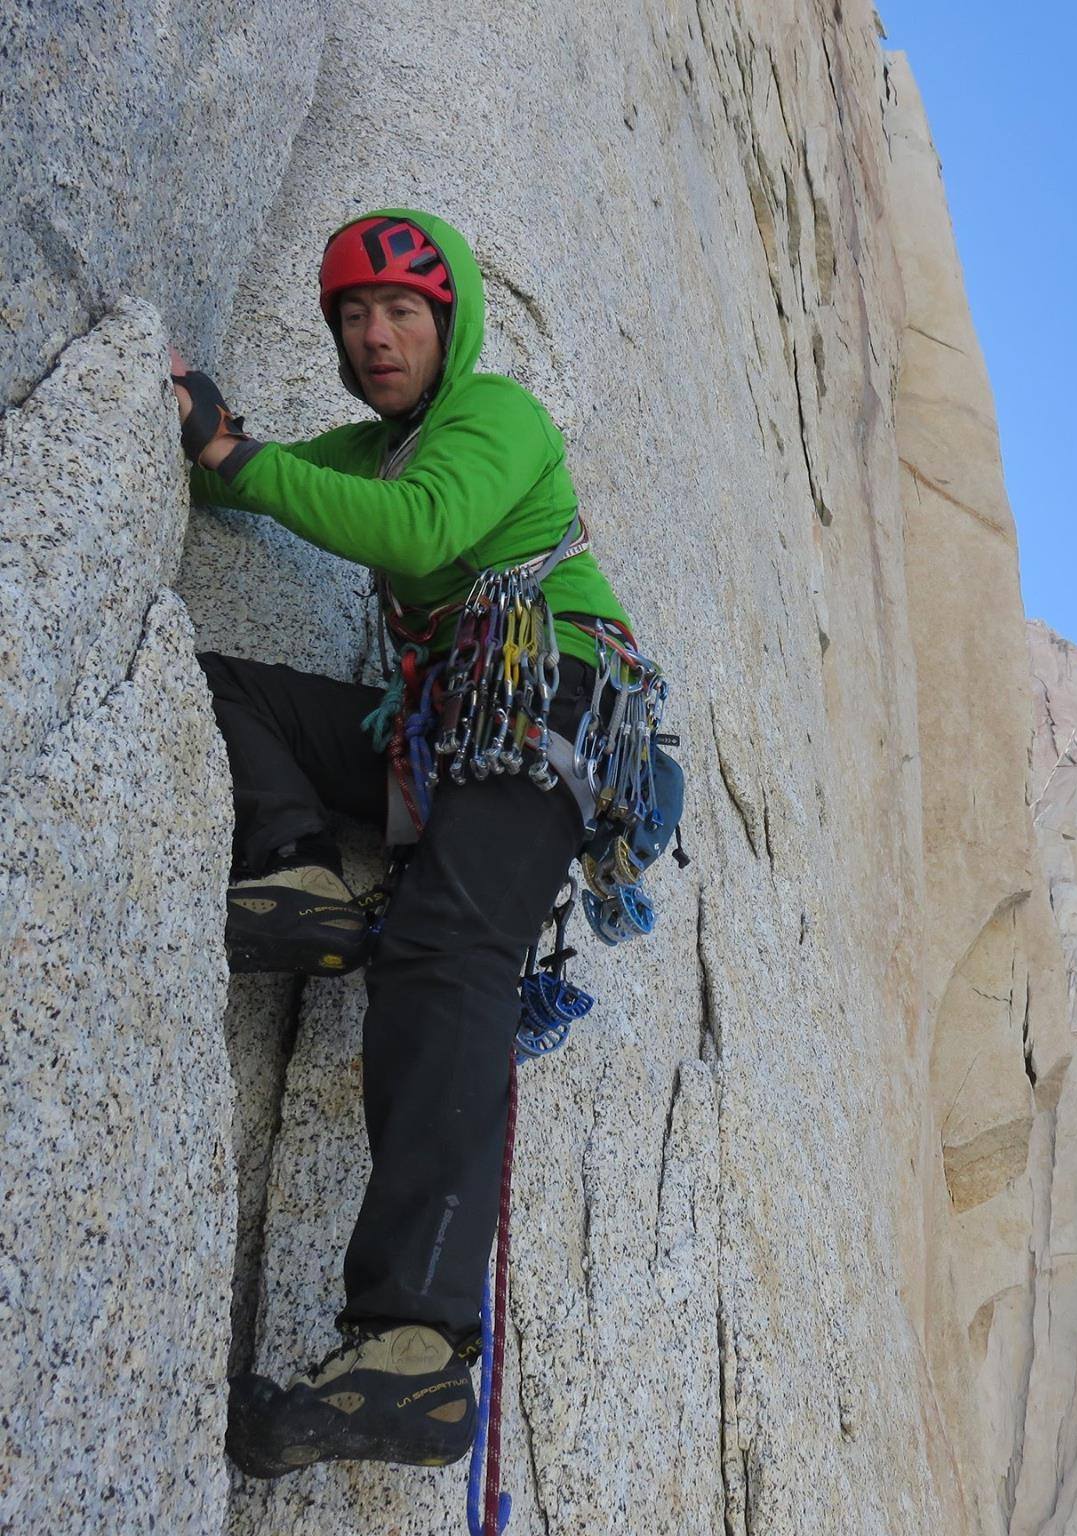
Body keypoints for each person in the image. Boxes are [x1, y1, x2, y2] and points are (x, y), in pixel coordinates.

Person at [175, 209, 634, 1479]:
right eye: (354, 318)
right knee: (223, 687)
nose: (376, 338)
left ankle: (421, 1353)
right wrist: (189, 422)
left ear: (452, 327)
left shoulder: (497, 421)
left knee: (445, 954)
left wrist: (234, 452)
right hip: (442, 733)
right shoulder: (378, 449)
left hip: (550, 711)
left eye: (403, 315)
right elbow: (261, 473)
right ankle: (297, 888)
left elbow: (426, 532)